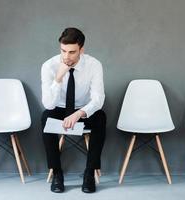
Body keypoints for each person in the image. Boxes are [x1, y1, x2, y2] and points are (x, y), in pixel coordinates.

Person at [41, 27, 106, 193]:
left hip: (82, 110)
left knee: (101, 117)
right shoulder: (49, 66)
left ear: (81, 50)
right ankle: (57, 173)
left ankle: (89, 174)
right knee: (45, 116)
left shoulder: (94, 65)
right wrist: (58, 78)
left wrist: (79, 113)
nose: (66, 56)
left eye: (71, 52)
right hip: (60, 109)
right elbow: (49, 104)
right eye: (63, 51)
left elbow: (98, 99)